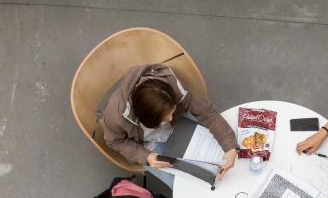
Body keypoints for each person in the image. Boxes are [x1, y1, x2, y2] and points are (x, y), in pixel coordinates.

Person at [102, 63, 239, 188]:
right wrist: (146, 156)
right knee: (185, 185)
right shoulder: (115, 115)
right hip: (145, 142)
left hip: (172, 123)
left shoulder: (171, 87)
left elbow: (207, 112)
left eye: (172, 112)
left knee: (217, 153)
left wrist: (230, 147)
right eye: (164, 117)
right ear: (145, 117)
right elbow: (115, 141)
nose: (171, 118)